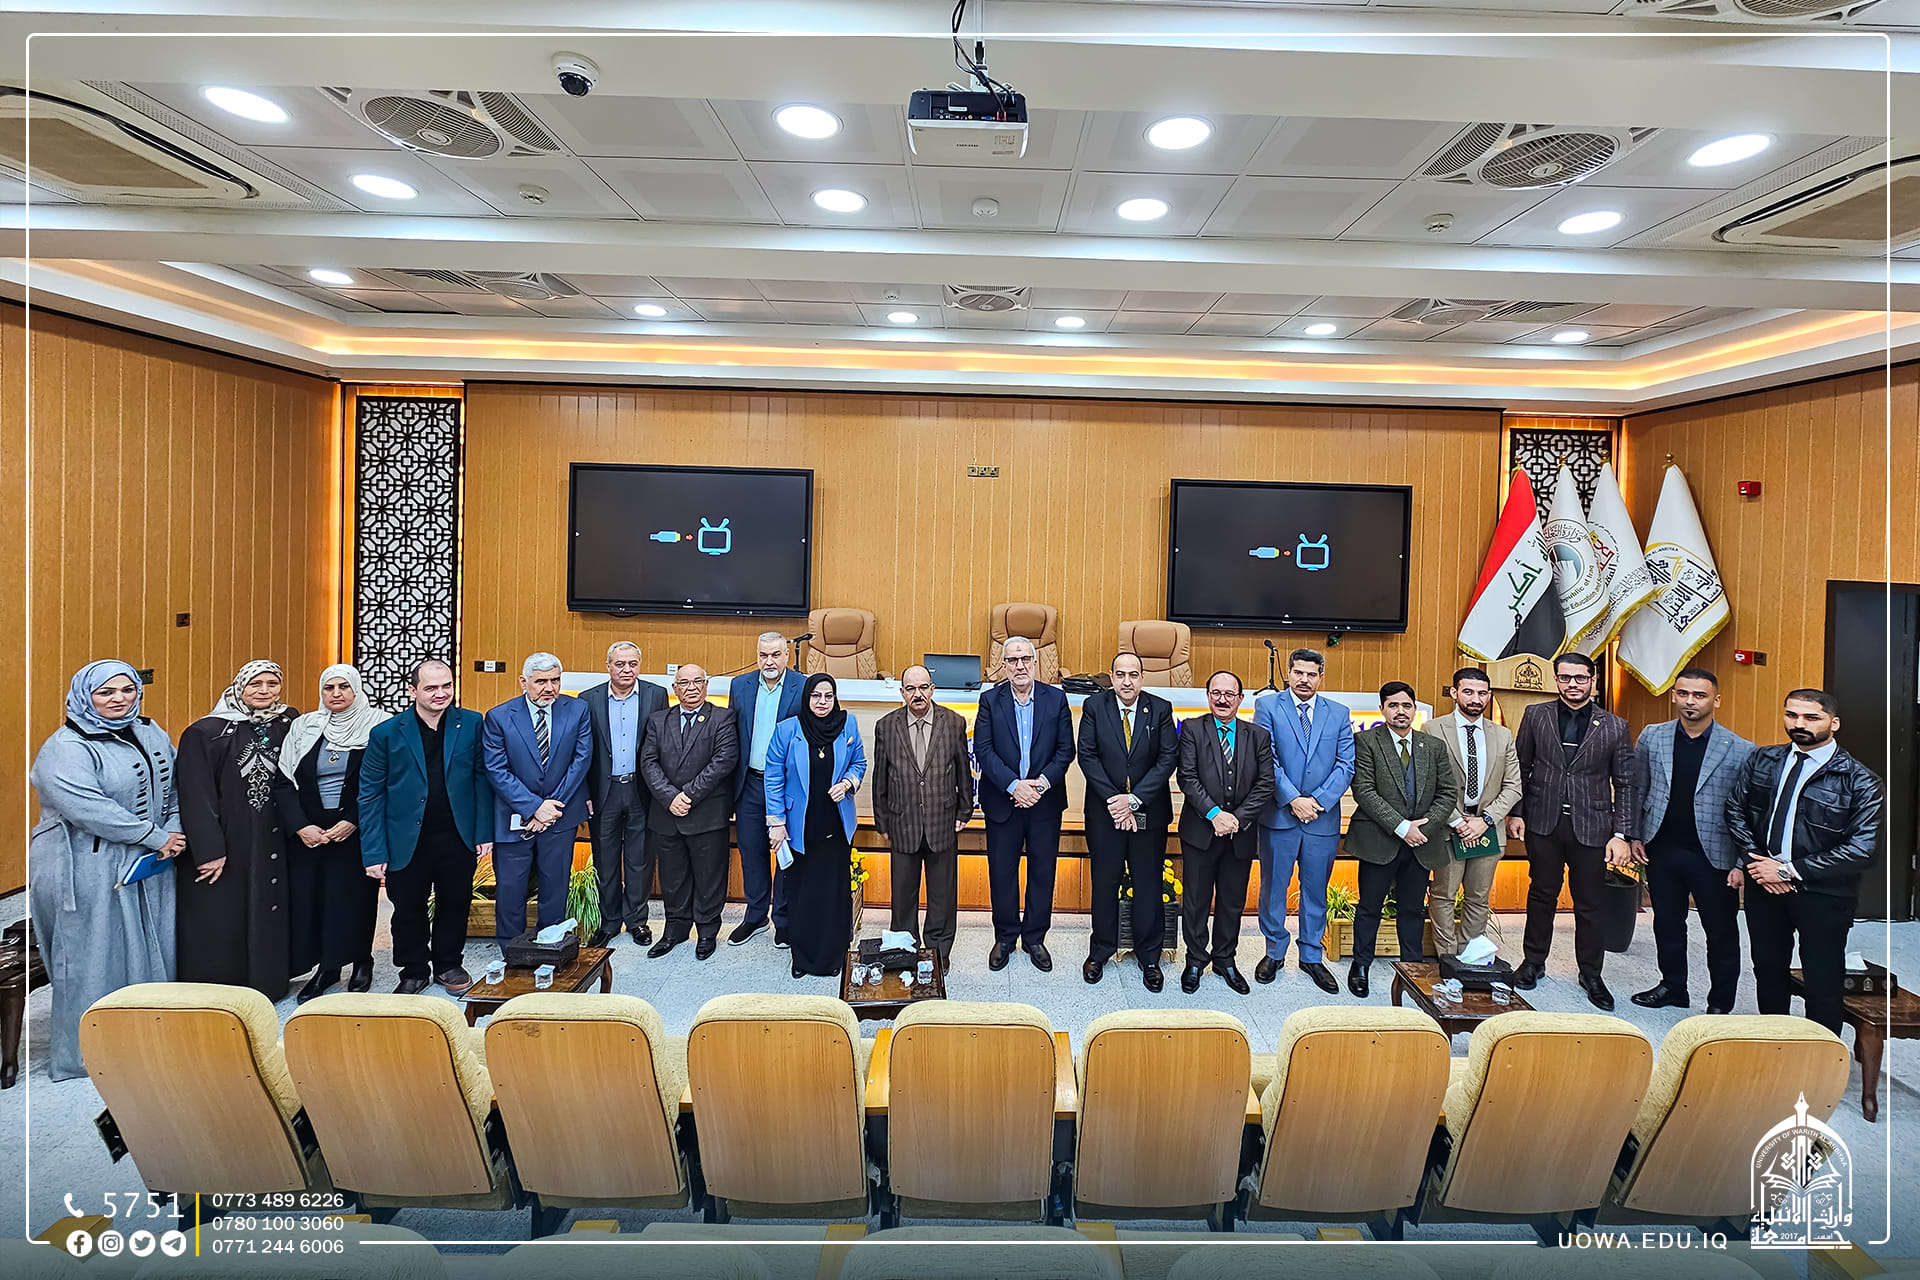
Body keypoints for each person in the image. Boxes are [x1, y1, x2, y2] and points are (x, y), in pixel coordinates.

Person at [28, 661, 182, 1082]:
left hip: (149, 858)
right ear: (85, 696)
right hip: (85, 865)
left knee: (151, 946)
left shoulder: (149, 732)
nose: (119, 699)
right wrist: (155, 836)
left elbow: (173, 786)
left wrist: (173, 829)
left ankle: (146, 1039)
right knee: (94, 956)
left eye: (127, 690)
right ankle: (89, 1053)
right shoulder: (66, 747)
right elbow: (88, 807)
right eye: (106, 692)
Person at [1726, 689, 1881, 1035]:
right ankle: (1776, 1042)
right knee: (1768, 969)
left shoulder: (1860, 779)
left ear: (1834, 723)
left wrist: (1787, 871)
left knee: (1822, 978)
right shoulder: (1762, 759)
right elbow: (1735, 809)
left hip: (1823, 894)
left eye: (1811, 717)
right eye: (1791, 715)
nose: (1799, 724)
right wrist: (1758, 864)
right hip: (1764, 884)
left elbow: (1862, 849)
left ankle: (1821, 1056)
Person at [1512, 651, 1637, 1010]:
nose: (1572, 684)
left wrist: (1621, 834)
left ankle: (1591, 974)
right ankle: (1533, 962)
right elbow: (1521, 766)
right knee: (1541, 895)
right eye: (1565, 677)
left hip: (1592, 827)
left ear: (1593, 681)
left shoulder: (1614, 726)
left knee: (1591, 904)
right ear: (1555, 680)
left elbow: (1626, 783)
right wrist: (1516, 813)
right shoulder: (1536, 715)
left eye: (1580, 678)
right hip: (1543, 823)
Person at [360, 659, 493, 995]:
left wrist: (483, 832)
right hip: (405, 838)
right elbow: (370, 795)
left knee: (455, 902)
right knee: (408, 907)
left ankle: (448, 964)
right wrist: (374, 851)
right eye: (431, 687)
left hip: (457, 834)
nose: (440, 693)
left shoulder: (472, 723)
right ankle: (414, 969)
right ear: (413, 690)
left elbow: (482, 780)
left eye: (446, 686)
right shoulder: (385, 733)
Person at [1629, 667, 1754, 1014]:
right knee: (1667, 924)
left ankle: (1720, 1003)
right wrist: (1634, 834)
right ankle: (1673, 987)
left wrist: (1742, 862)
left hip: (1714, 855)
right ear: (1674, 696)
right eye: (1683, 693)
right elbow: (1638, 787)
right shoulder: (1653, 736)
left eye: (1699, 695)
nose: (1690, 701)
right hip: (1662, 848)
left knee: (1720, 932)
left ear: (1716, 700)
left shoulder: (1741, 749)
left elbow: (1750, 810)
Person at [175, 660, 298, 998]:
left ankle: (268, 983)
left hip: (272, 836)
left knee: (267, 907)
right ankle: (222, 990)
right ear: (239, 686)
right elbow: (195, 794)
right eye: (255, 684)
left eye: (272, 683)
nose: (264, 691)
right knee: (224, 913)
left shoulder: (287, 722)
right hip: (228, 839)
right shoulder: (207, 732)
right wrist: (209, 850)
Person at [274, 664, 388, 1003]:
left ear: (356, 689)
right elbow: (284, 782)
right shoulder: (304, 727)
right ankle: (327, 968)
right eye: (329, 688)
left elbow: (386, 781)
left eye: (343, 687)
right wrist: (300, 826)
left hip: (356, 829)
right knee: (315, 900)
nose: (336, 694)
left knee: (356, 899)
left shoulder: (378, 725)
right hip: (310, 832)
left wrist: (353, 820)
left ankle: (362, 960)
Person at [1345, 682, 1458, 997]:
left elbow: (1447, 793)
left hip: (1421, 842)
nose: (1400, 711)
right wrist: (1401, 826)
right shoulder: (1366, 741)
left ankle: (1413, 969)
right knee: (1369, 907)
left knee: (1412, 910)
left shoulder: (1432, 746)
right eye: (1393, 705)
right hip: (1379, 841)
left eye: (1406, 705)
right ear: (1382, 709)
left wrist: (1423, 828)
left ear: (1414, 709)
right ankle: (1361, 965)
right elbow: (1364, 790)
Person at [1252, 649, 1354, 993]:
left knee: (1315, 890)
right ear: (1289, 673)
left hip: (1321, 820)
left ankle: (1311, 956)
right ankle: (1274, 952)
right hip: (1280, 814)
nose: (1304, 680)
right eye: (1298, 672)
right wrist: (1293, 799)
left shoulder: (1338, 713)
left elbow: (1346, 765)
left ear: (1320, 677)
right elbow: (1266, 757)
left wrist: (1318, 802)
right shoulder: (1268, 707)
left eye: (1311, 674)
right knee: (1273, 888)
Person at [973, 636, 1076, 972]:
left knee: (1042, 872)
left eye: (1025, 659)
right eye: (1012, 660)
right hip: (1003, 802)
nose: (1019, 666)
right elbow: (984, 750)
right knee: (1002, 872)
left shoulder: (1056, 698)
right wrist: (1014, 786)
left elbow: (1066, 750)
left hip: (1045, 803)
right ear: (1004, 665)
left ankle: (1034, 938)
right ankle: (1005, 937)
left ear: (1035, 662)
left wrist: (1040, 785)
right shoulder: (990, 700)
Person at [1078, 652, 1178, 991]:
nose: (1126, 681)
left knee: (1148, 885)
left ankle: (1149, 957)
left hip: (1149, 813)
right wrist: (1116, 801)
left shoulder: (1160, 709)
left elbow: (1167, 759)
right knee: (1104, 884)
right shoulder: (1095, 707)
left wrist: (1134, 800)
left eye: (1133, 674)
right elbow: (1087, 755)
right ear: (1111, 676)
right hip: (1105, 814)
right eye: (1120, 674)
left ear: (1142, 678)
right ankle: (1100, 951)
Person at [482, 652, 593, 953]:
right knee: (511, 889)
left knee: (555, 887)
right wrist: (533, 807)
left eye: (555, 680)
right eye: (541, 681)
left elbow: (581, 761)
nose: (549, 688)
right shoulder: (499, 716)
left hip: (559, 816)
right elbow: (496, 770)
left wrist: (550, 807)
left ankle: (550, 948)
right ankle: (511, 952)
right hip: (514, 818)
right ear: (524, 682)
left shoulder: (578, 709)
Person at [1175, 671, 1275, 996]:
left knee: (1232, 901)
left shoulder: (1258, 736)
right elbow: (1187, 777)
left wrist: (1236, 819)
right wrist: (1215, 815)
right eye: (1216, 693)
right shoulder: (1192, 729)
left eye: (1229, 694)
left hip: (1240, 834)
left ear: (1240, 699)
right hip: (1200, 832)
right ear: (1208, 696)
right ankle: (1195, 960)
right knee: (1195, 901)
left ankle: (1225, 959)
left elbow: (1266, 784)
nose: (1222, 699)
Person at [764, 674, 868, 978]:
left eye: (828, 696)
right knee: (802, 893)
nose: (822, 702)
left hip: (836, 825)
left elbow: (859, 763)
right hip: (799, 827)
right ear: (806, 697)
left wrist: (847, 783)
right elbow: (773, 778)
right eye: (816, 696)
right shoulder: (787, 730)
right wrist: (776, 823)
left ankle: (833, 957)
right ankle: (803, 958)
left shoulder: (847, 725)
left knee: (833, 893)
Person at [870, 665, 974, 964]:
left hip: (943, 820)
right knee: (903, 895)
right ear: (902, 692)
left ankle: (939, 951)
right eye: (911, 689)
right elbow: (880, 776)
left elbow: (963, 771)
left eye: (923, 687)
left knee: (942, 894)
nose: (918, 694)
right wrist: (881, 820)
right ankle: (905, 949)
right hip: (901, 821)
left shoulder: (953, 722)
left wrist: (965, 809)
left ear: (932, 689)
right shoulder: (886, 726)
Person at [1419, 668, 1522, 957]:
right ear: (1454, 693)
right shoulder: (1433, 729)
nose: (1475, 699)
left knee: (1478, 897)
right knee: (1444, 894)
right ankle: (1448, 957)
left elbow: (1513, 786)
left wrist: (1485, 820)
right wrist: (1457, 820)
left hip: (1489, 827)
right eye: (1468, 691)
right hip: (1447, 826)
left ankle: (1471, 956)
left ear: (1489, 696)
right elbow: (1427, 782)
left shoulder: (1503, 735)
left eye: (1482, 693)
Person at [639, 664, 740, 959]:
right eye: (684, 683)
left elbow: (724, 760)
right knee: (672, 878)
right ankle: (675, 930)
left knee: (709, 878)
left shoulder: (723, 718)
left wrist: (688, 795)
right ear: (675, 689)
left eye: (698, 681)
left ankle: (707, 932)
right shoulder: (658, 720)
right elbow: (648, 762)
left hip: (707, 813)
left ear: (706, 685)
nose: (691, 687)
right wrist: (670, 797)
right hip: (666, 813)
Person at [581, 641, 667, 948]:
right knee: (605, 861)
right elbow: (583, 751)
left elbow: (663, 745)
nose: (626, 669)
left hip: (641, 790)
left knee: (640, 860)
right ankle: (609, 922)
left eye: (632, 663)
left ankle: (637, 920)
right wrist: (584, 793)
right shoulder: (588, 699)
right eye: (620, 664)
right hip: (603, 791)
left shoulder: (656, 695)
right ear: (608, 666)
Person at [728, 632, 806, 947]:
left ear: (786, 655)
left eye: (775, 655)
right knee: (751, 851)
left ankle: (783, 919)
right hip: (749, 782)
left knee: (785, 852)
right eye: (763, 655)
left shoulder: (802, 686)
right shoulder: (740, 686)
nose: (769, 661)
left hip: (787, 785)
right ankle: (755, 915)